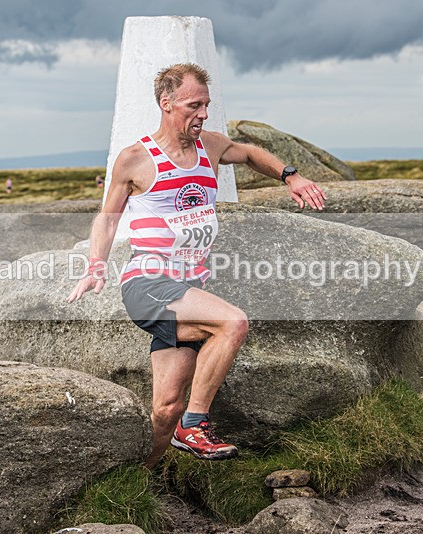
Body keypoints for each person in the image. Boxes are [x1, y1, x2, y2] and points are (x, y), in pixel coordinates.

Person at [67, 63, 326, 467]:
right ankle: (196, 425)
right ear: (167, 104)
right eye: (194, 105)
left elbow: (251, 154)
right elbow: (109, 217)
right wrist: (96, 263)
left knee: (165, 408)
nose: (203, 113)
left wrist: (290, 176)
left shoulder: (211, 146)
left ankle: (140, 479)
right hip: (149, 283)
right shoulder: (136, 158)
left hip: (188, 290)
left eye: (206, 104)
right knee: (232, 322)